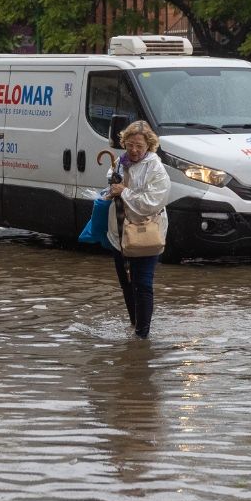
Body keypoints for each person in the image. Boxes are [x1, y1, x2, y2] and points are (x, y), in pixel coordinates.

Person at [107, 120, 171, 340]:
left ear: (149, 146)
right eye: (130, 145)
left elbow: (152, 202)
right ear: (124, 143)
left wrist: (123, 192)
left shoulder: (156, 168)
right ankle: (135, 325)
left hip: (147, 234)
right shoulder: (118, 163)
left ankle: (142, 336)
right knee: (127, 283)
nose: (134, 150)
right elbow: (111, 186)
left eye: (139, 146)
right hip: (120, 234)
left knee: (142, 284)